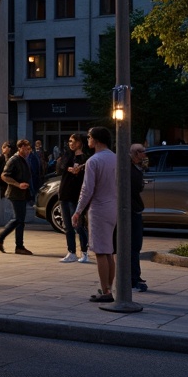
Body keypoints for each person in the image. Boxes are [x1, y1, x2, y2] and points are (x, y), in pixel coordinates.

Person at [73, 126, 118, 303]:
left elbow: (87, 189)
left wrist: (78, 211)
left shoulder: (94, 160)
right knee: (109, 251)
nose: (88, 140)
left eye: (89, 137)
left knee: (101, 251)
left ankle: (106, 291)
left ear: (97, 140)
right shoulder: (115, 158)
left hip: (99, 208)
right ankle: (108, 287)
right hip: (113, 206)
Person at [0, 139, 33, 255]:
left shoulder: (23, 160)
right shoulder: (14, 160)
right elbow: (4, 176)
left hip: (22, 194)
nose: (28, 151)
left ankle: (19, 246)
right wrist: (18, 184)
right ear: (20, 148)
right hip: (15, 194)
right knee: (18, 219)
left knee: (20, 221)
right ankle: (2, 237)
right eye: (26, 149)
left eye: (29, 149)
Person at [57, 133, 89, 264]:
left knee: (79, 225)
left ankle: (84, 252)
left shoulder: (86, 158)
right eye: (70, 141)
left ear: (80, 142)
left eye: (73, 141)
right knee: (68, 226)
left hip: (76, 195)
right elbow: (59, 168)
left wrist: (79, 169)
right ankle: (71, 252)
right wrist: (68, 168)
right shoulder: (67, 156)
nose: (71, 144)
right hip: (64, 194)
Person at [130, 142, 148, 292]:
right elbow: (136, 187)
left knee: (136, 245)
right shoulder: (129, 169)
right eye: (143, 152)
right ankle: (133, 278)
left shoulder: (137, 168)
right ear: (136, 154)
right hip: (131, 209)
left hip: (135, 208)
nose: (145, 155)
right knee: (133, 245)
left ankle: (136, 276)